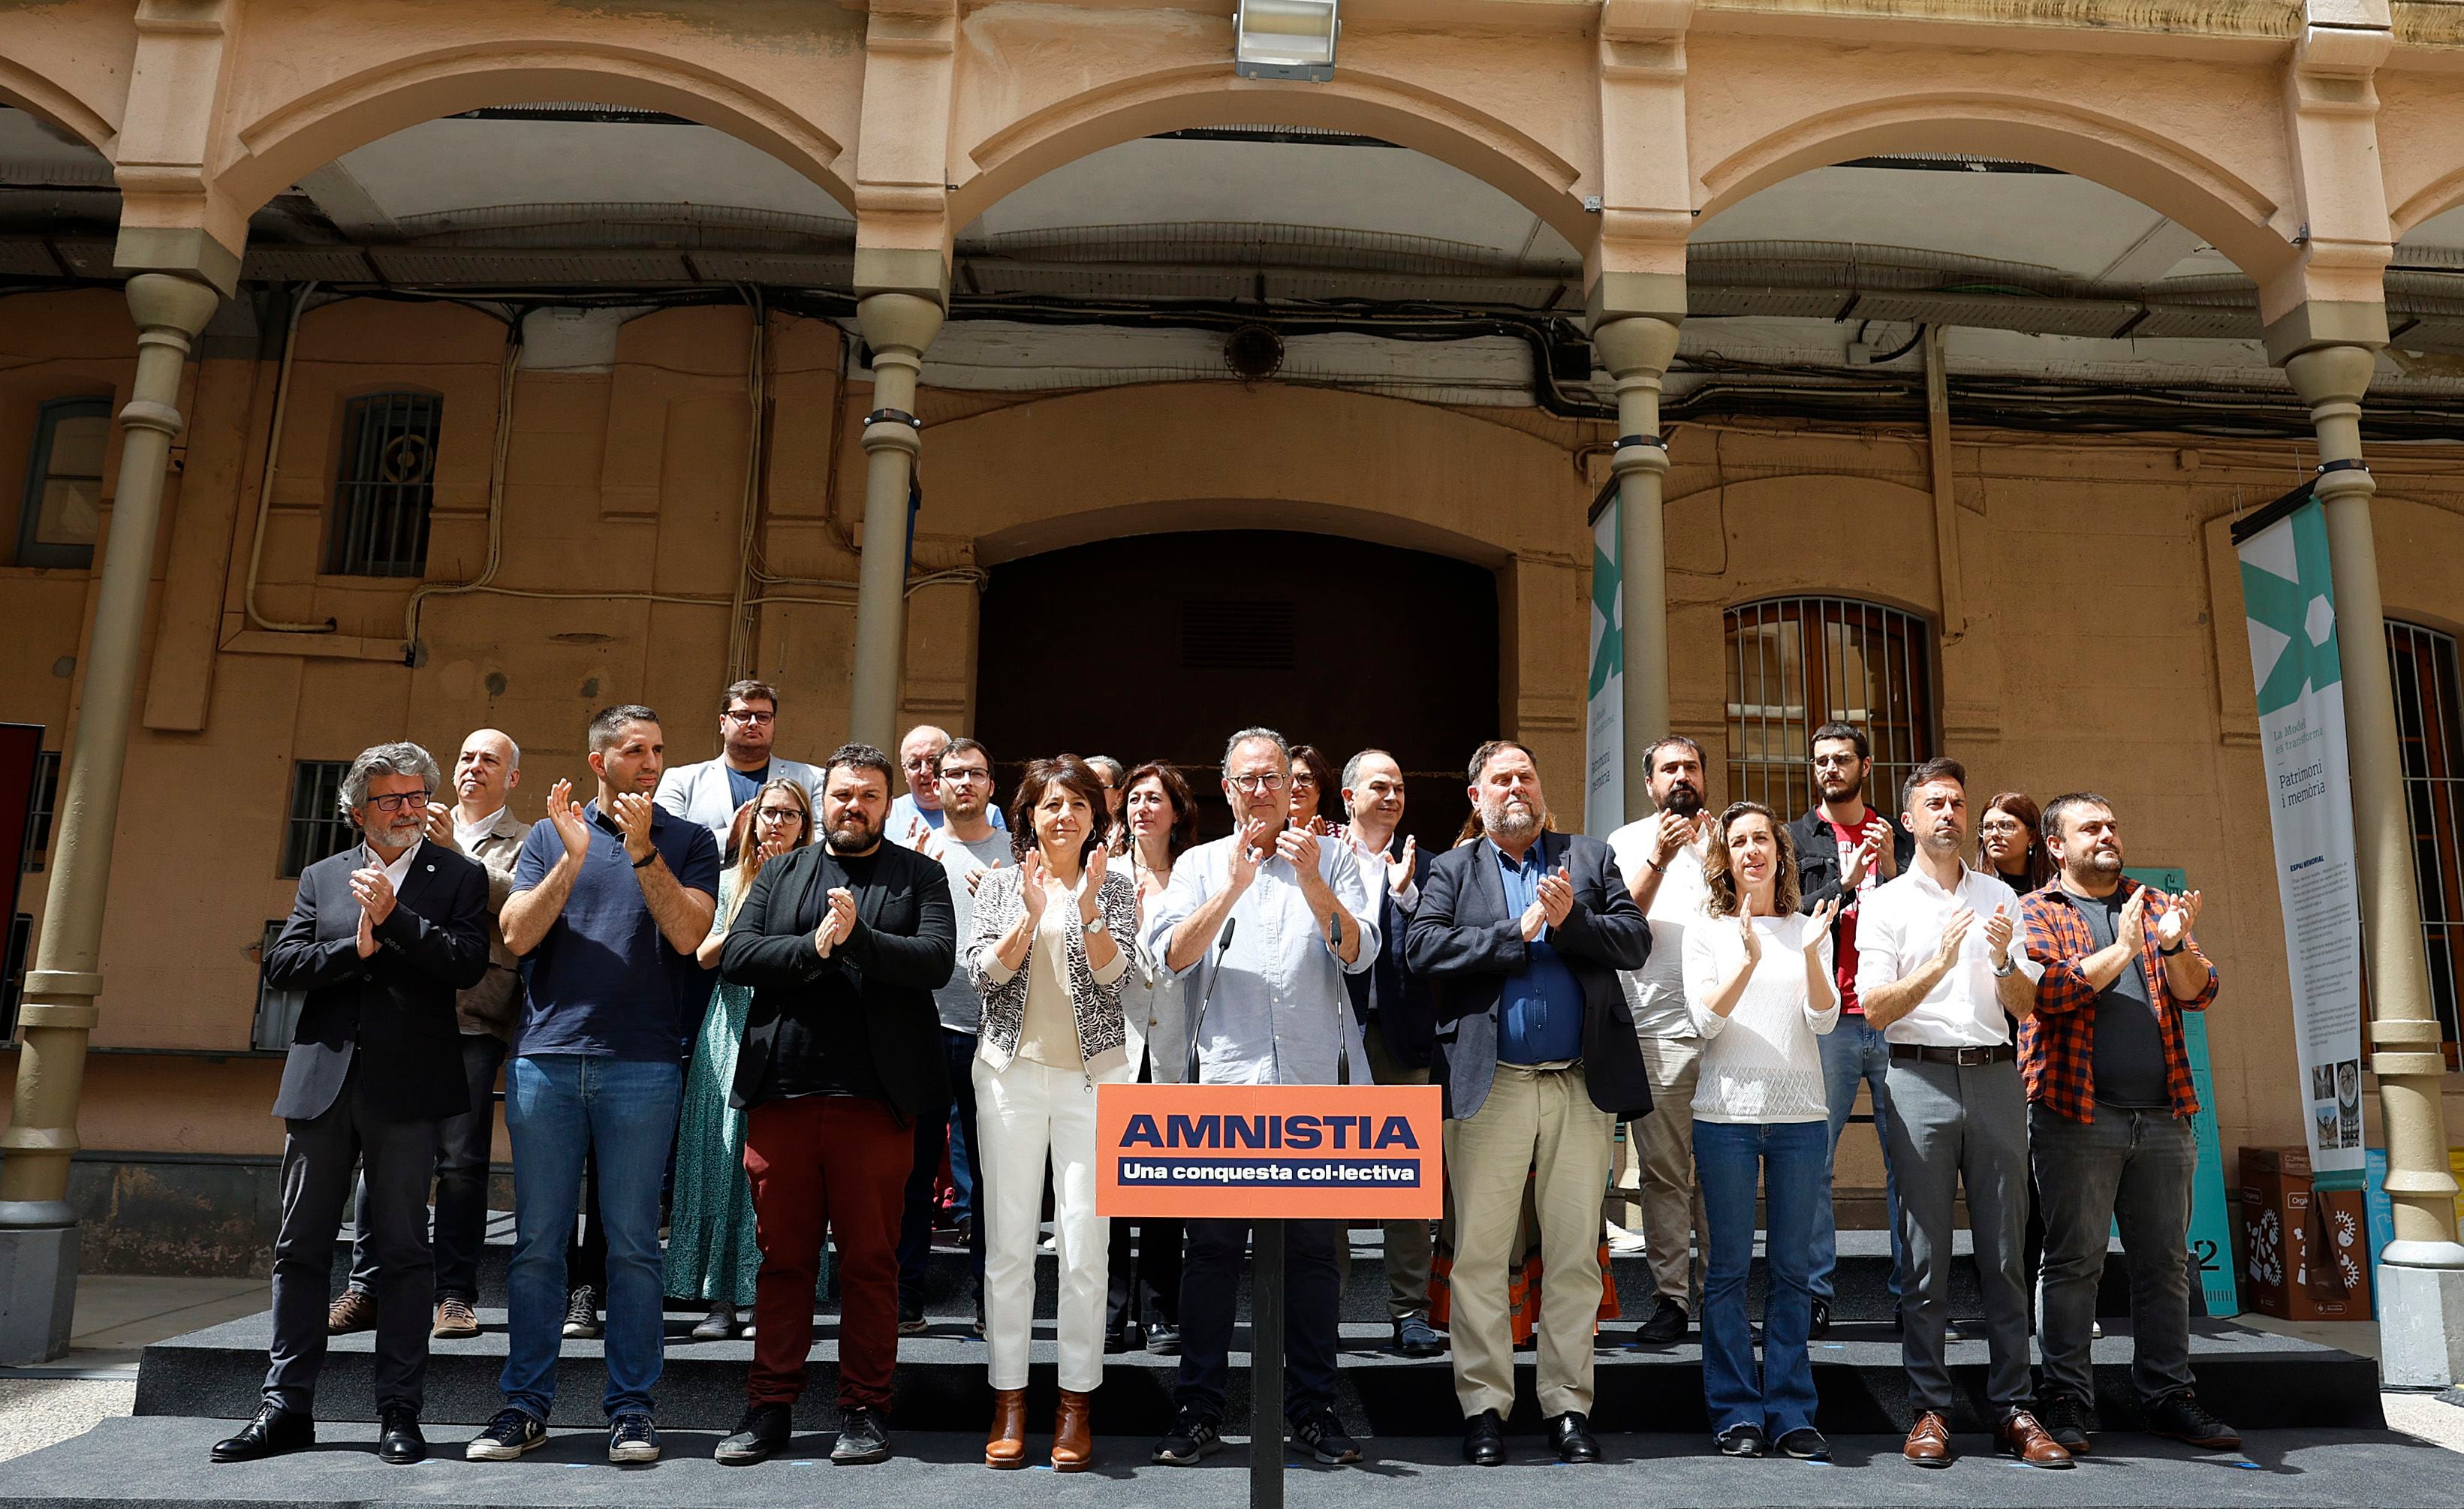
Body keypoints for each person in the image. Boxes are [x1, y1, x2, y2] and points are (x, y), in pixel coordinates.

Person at [218, 743, 488, 1467]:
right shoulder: (322, 876)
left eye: (415, 797)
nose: (406, 810)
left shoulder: (459, 876)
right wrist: (354, 948)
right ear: (356, 811)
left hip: (408, 1088)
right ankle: (285, 1407)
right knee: (299, 1248)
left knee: (403, 1253)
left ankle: (399, 1410)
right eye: (389, 800)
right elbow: (282, 966)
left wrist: (397, 919)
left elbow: (467, 963)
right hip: (322, 1084)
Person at [468, 706, 720, 1466]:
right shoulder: (552, 835)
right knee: (538, 1247)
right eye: (635, 750)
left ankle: (633, 1411)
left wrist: (644, 853)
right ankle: (523, 1407)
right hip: (546, 1061)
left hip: (644, 1066)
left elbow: (688, 934)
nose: (651, 762)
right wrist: (575, 858)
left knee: (636, 1250)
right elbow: (515, 934)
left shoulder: (690, 841)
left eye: (660, 750)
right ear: (599, 760)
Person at [712, 743, 957, 1468]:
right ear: (824, 800)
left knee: (870, 1265)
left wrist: (857, 940)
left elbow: (934, 960)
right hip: (782, 1096)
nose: (855, 806)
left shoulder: (921, 875)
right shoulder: (782, 870)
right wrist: (816, 950)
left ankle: (863, 1410)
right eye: (844, 794)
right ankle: (768, 1409)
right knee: (781, 1262)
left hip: (875, 1103)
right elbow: (738, 956)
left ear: (889, 803)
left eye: (870, 796)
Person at [1408, 740, 1651, 1468]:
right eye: (1501, 779)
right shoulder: (1453, 870)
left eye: (1527, 775)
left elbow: (1633, 942)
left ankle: (1568, 1407)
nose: (1517, 787)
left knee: (1575, 1254)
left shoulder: (1589, 857)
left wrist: (1572, 921)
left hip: (1580, 1084)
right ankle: (1484, 1405)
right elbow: (1423, 951)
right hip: (1492, 1088)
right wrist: (1511, 936)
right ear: (1477, 798)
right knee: (1481, 1253)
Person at [1144, 727, 1378, 1469]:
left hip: (1311, 1091)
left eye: (1272, 778)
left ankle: (1314, 1411)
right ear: (1226, 787)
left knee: (1312, 1258)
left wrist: (1311, 881)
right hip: (1224, 1089)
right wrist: (1235, 889)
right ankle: (1198, 1410)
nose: (1260, 791)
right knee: (1211, 1254)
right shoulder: (1198, 863)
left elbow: (1360, 950)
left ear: (1291, 785)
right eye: (1245, 780)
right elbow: (1171, 955)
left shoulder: (1333, 856)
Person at [1852, 759, 2068, 1469]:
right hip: (1916, 1079)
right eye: (1933, 804)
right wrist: (1940, 964)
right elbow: (1876, 1010)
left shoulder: (2002, 894)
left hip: (1996, 1075)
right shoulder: (1884, 903)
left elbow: (2026, 1006)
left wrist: (2004, 962)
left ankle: (2015, 1408)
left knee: (2007, 1251)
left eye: (1957, 803)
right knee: (1924, 1258)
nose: (1949, 813)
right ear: (1908, 821)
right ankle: (1929, 1409)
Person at [2020, 793, 2237, 1456]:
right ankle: (2065, 1401)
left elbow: (2199, 990)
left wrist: (2172, 946)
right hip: (2077, 1114)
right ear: (2057, 845)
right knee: (2073, 1263)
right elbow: (2049, 992)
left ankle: (2168, 1397)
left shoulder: (2151, 901)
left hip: (2165, 1115)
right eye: (2092, 827)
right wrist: (2123, 947)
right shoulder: (2037, 910)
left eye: (2113, 824)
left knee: (2166, 1266)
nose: (2109, 834)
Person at [964, 756, 1144, 1471]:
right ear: (1028, 816)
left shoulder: (1117, 885)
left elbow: (1121, 973)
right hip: (1009, 1075)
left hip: (1091, 1083)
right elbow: (980, 972)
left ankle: (1075, 1404)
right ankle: (1009, 1402)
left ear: (1095, 816)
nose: (1063, 815)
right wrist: (1029, 919)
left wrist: (1091, 908)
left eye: (1076, 803)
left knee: (1084, 1248)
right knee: (1008, 1248)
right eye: (1049, 804)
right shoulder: (1003, 884)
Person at [328, 729, 528, 1345]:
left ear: (511, 778)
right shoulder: (410, 821)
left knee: (462, 1162)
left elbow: (524, 911)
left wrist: (457, 857)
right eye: (466, 756)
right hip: (395, 1011)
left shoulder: (527, 842)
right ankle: (367, 1286)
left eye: (489, 760)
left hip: (472, 1014)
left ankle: (455, 1296)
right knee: (378, 1157)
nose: (474, 767)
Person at [1680, 801, 1838, 1461]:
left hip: (1801, 1119)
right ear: (1726, 856)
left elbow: (1825, 1021)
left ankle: (1791, 1411)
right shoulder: (1705, 929)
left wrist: (1807, 955)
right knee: (1725, 1272)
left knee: (1792, 1272)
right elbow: (1705, 1023)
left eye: (1762, 840)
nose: (1751, 850)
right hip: (1726, 1119)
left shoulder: (1809, 928)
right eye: (1739, 840)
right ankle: (1736, 1411)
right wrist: (1746, 958)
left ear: (1781, 853)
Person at [670, 778, 812, 1340]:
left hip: (790, 1034)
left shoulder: (816, 882)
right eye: (767, 814)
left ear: (805, 825)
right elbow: (706, 956)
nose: (776, 823)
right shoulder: (727, 882)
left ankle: (766, 1297)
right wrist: (755, 895)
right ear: (750, 824)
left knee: (778, 1172)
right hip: (729, 1031)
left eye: (788, 815)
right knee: (722, 1161)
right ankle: (721, 1299)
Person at [1790, 721, 1915, 1335]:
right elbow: (1791, 918)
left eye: (1841, 759)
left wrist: (1890, 870)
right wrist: (1845, 881)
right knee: (1815, 1159)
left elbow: (1924, 923)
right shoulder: (1794, 837)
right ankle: (1815, 1292)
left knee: (1910, 1162)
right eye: (1820, 762)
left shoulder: (1903, 839)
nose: (1830, 769)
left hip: (1894, 1016)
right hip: (1829, 1018)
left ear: (1867, 767)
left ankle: (1909, 1295)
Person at [1604, 733, 1715, 1348]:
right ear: (1649, 783)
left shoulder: (1732, 838)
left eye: (1691, 767)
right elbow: (1624, 923)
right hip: (1659, 1028)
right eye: (1669, 768)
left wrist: (1710, 852)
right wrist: (1662, 858)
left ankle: (1720, 1295)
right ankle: (1672, 1299)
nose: (1681, 776)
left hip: (1729, 1030)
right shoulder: (1624, 843)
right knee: (1665, 1174)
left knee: (1724, 1172)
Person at [897, 736, 1008, 1334]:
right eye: (952, 774)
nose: (963, 782)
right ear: (934, 785)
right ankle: (905, 1297)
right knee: (913, 1173)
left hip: (995, 1031)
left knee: (993, 1176)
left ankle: (991, 1301)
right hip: (925, 1026)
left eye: (975, 774)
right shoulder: (915, 850)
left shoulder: (1020, 854)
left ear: (992, 785)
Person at [1336, 747, 1443, 1359]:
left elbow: (1436, 949)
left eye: (1400, 786)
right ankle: (1324, 1308)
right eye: (1379, 785)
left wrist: (1404, 898)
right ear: (1348, 797)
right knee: (1331, 1180)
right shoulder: (1318, 859)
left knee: (1406, 1180)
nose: (1393, 796)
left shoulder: (1427, 866)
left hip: (1401, 1037)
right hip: (1331, 1035)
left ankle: (1409, 1312)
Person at [1105, 761, 1198, 1356]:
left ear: (1176, 811)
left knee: (1166, 1187)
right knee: (1112, 1190)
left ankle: (1162, 1313)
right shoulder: (1105, 873)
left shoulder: (1196, 875)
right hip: (1114, 1046)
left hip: (1174, 1047)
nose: (1141, 808)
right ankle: (1112, 1313)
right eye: (1134, 798)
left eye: (1154, 799)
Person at [653, 679, 824, 842]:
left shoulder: (812, 779)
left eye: (763, 717)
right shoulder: (681, 780)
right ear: (722, 722)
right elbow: (667, 839)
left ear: (774, 723)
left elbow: (823, 840)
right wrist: (730, 837)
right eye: (742, 715)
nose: (753, 723)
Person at [888, 723, 1008, 845]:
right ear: (905, 772)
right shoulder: (888, 814)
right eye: (914, 764)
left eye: (932, 760)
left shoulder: (988, 814)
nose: (924, 771)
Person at [1288, 742, 1341, 832]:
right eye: (1289, 780)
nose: (1294, 787)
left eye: (1305, 778)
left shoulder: (1343, 838)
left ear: (1321, 784)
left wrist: (1326, 844)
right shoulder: (1264, 835)